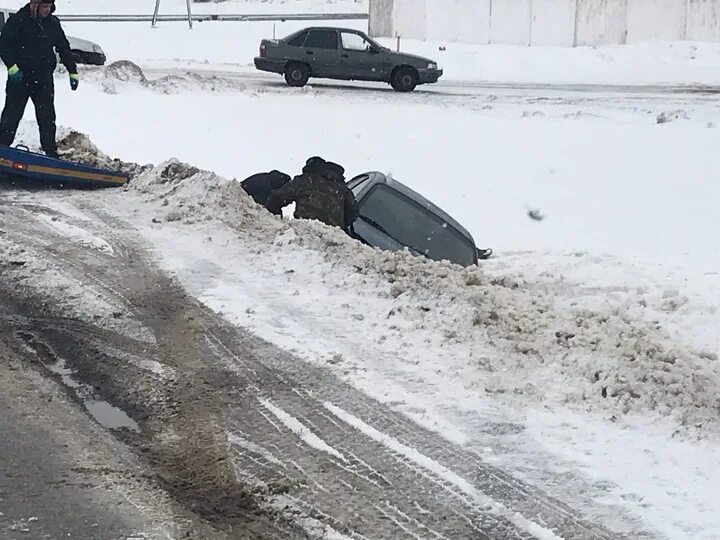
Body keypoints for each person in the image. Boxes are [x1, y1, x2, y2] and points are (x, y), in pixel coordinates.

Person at [0, 0, 79, 158]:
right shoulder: (18, 21)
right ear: (34, 6)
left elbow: (63, 46)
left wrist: (72, 70)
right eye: (44, 7)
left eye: (49, 7)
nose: (47, 10)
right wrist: (12, 66)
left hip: (43, 80)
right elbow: (4, 44)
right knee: (12, 115)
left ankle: (50, 151)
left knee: (47, 117)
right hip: (20, 79)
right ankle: (2, 147)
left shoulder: (52, 23)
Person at [265, 161, 358, 231]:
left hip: (304, 231)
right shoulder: (343, 189)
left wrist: (274, 220)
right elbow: (352, 214)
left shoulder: (304, 181)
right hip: (333, 237)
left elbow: (277, 198)